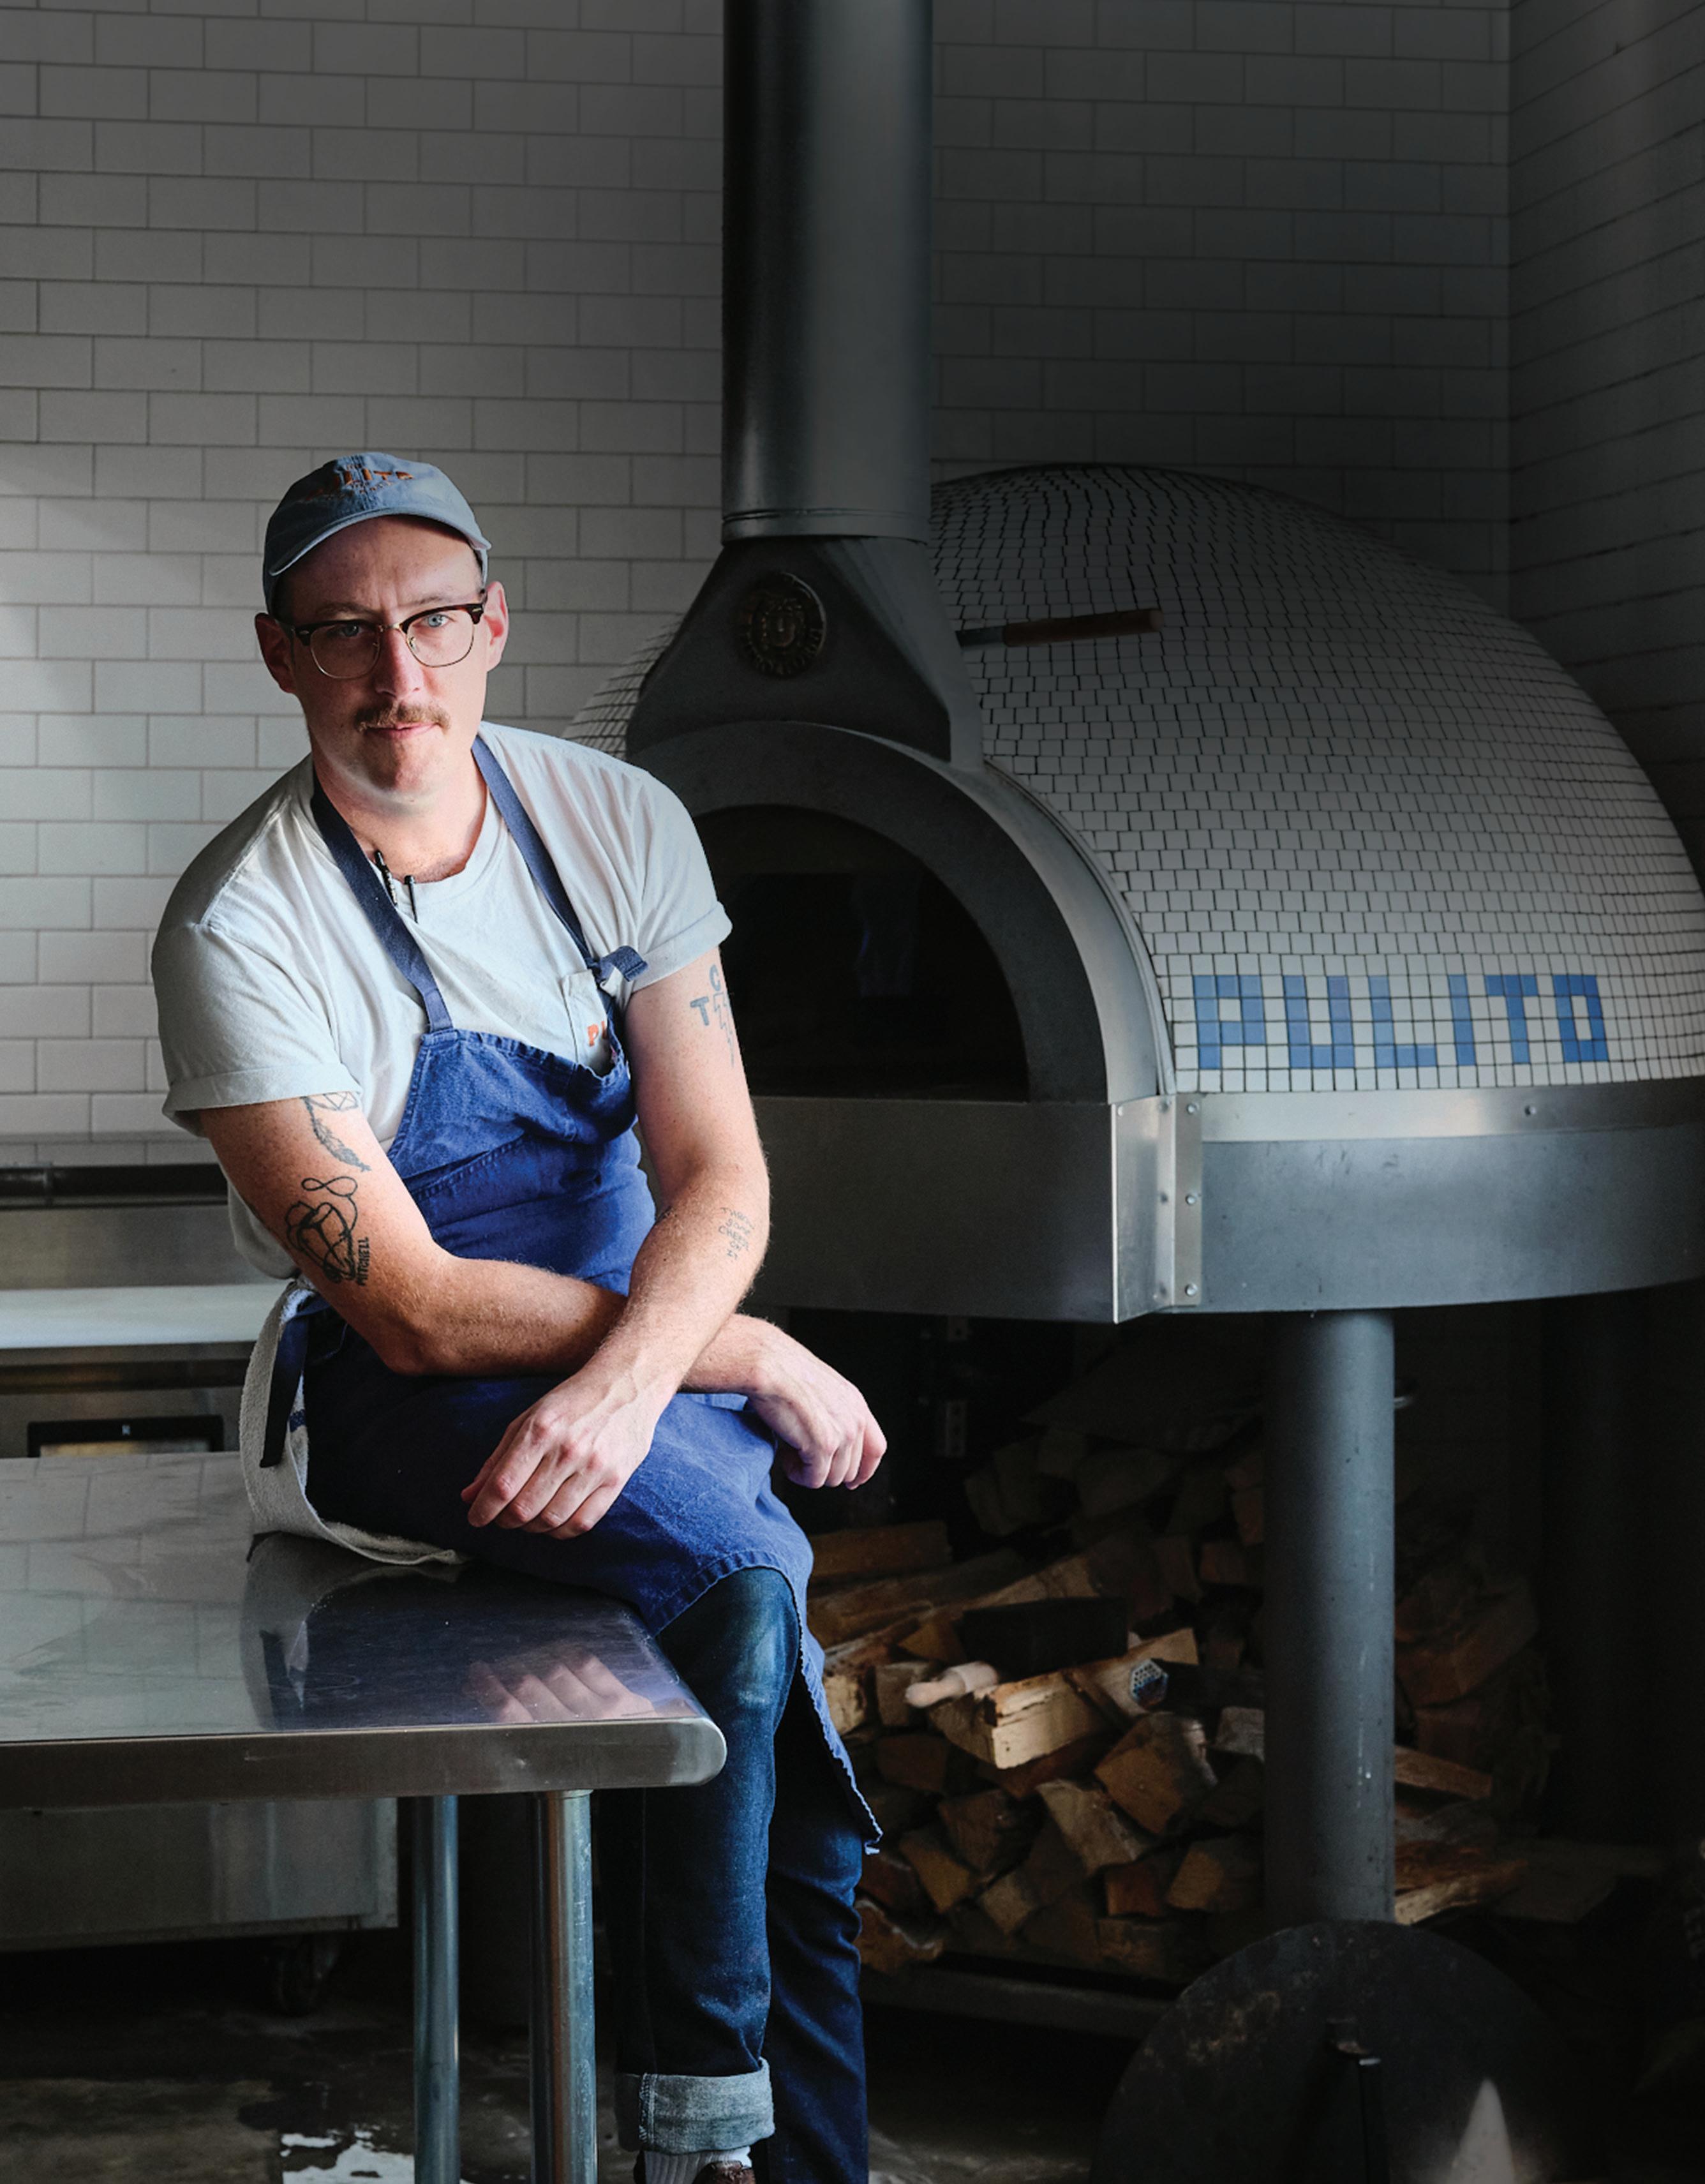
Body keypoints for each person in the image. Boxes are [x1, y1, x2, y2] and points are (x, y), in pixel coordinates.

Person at [152, 453, 887, 2184]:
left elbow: (718, 1175)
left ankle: (752, 2145)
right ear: (278, 653)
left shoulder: (615, 823)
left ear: (494, 626)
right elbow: (412, 1307)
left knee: (761, 1668)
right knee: (744, 1576)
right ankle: (707, 2133)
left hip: (631, 1360)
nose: (394, 674)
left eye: (430, 623)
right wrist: (744, 1350)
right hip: (411, 1395)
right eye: (344, 633)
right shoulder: (241, 924)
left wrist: (634, 1381)